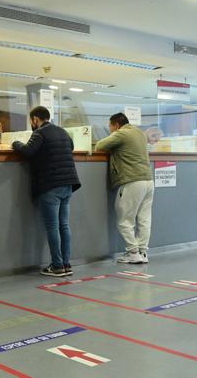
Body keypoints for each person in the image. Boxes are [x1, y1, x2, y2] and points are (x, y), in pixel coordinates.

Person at [12, 106, 81, 277]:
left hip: (51, 184)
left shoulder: (40, 133)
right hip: (68, 183)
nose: (32, 124)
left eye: (31, 121)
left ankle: (57, 266)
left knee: (52, 227)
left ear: (35, 119)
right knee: (64, 225)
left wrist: (16, 143)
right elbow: (70, 147)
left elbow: (27, 151)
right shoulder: (62, 132)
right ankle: (66, 264)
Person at [96, 112, 154, 264]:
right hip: (148, 180)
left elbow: (99, 145)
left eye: (110, 126)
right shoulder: (139, 133)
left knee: (124, 219)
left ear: (116, 124)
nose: (110, 129)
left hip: (132, 180)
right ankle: (142, 252)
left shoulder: (122, 133)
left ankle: (133, 252)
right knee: (144, 219)